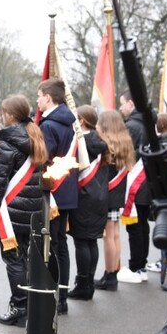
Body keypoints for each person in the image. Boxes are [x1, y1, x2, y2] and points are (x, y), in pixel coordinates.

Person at [0, 96, 47, 326]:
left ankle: (19, 307)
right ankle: (29, 303)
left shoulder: (10, 141)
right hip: (32, 208)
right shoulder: (35, 135)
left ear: (10, 114)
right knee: (26, 258)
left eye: (4, 111)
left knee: (13, 259)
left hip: (11, 210)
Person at [36, 78, 78, 314]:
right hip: (68, 189)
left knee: (50, 245)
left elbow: (43, 158)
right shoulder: (70, 122)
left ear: (48, 97)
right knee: (60, 243)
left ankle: (53, 295)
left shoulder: (49, 125)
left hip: (52, 191)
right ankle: (62, 295)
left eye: (39, 96)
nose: (38, 101)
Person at [66, 106, 108, 301]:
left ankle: (83, 284)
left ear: (81, 121)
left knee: (82, 241)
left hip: (84, 196)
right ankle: (88, 282)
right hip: (99, 196)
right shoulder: (99, 140)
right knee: (91, 241)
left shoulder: (82, 142)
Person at [94, 110, 135, 292]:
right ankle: (113, 273)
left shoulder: (106, 144)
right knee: (115, 234)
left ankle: (110, 275)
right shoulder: (125, 141)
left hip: (108, 192)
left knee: (108, 236)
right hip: (118, 193)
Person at [116, 91, 151, 284]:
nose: (121, 107)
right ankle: (141, 265)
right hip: (147, 181)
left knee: (135, 227)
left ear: (131, 103)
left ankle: (136, 266)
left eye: (122, 103)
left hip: (135, 183)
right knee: (142, 226)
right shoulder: (148, 123)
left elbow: (124, 154)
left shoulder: (132, 126)